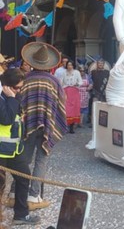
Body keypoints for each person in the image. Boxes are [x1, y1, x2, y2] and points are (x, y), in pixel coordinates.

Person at [7, 42, 68, 210]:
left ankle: (14, 194)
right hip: (47, 125)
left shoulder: (24, 79)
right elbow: (62, 102)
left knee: (23, 160)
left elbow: (18, 99)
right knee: (41, 160)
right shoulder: (54, 81)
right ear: (48, 64)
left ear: (32, 62)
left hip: (27, 125)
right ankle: (34, 196)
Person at [0, 68, 41, 225]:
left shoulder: (14, 97)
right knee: (0, 186)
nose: (19, 91)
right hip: (1, 151)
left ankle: (20, 215)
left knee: (24, 177)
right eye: (17, 88)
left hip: (13, 149)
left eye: (21, 88)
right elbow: (6, 119)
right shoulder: (5, 98)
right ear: (7, 86)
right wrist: (12, 98)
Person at [61, 60, 82, 134]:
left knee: (74, 109)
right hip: (66, 91)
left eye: (71, 65)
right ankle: (65, 126)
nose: (69, 66)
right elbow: (61, 82)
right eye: (68, 65)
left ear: (73, 66)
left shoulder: (77, 72)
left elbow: (80, 82)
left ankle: (71, 128)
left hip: (74, 91)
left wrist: (76, 84)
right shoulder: (64, 73)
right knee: (66, 109)